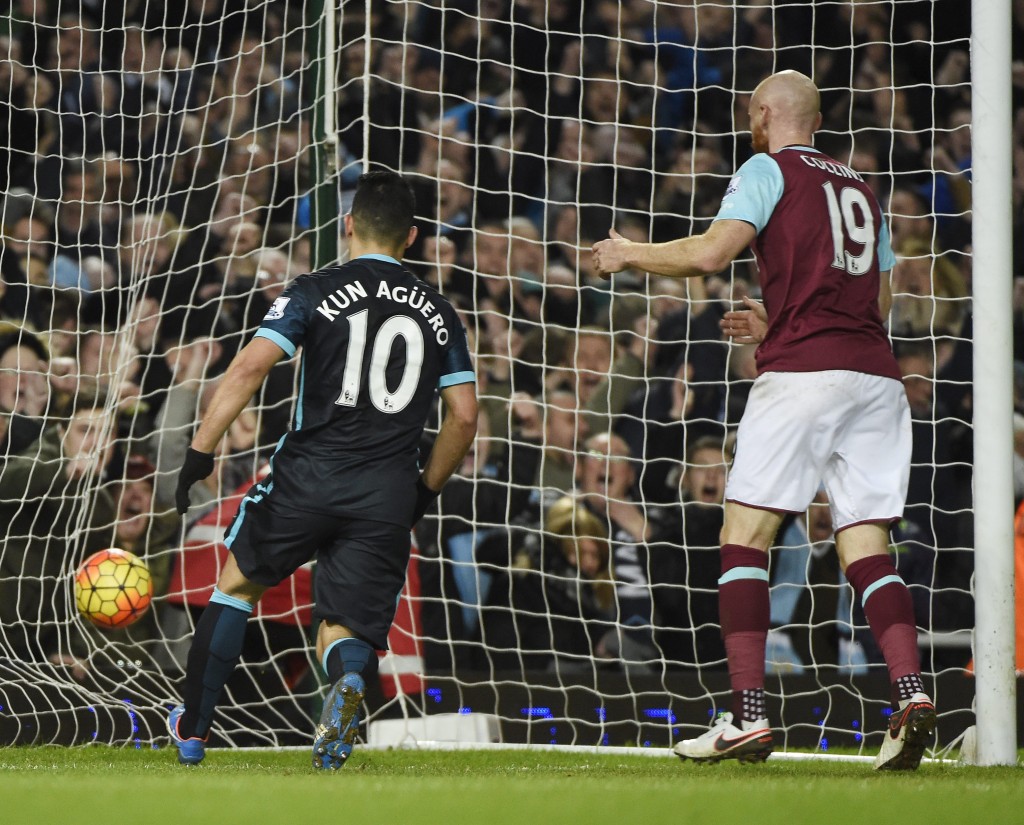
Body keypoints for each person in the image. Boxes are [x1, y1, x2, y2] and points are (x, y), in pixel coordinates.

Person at [592, 70, 934, 770]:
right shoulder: (860, 188)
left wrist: (628, 254)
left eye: (750, 114)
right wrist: (783, 320)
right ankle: (911, 693)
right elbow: (884, 295)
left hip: (805, 377)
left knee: (743, 534)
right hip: (875, 378)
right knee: (866, 545)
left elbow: (713, 252)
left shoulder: (765, 168)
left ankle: (746, 715)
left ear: (763, 113)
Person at [169, 171, 478, 769]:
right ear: (411, 237)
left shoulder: (314, 289)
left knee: (235, 590)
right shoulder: (440, 313)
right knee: (345, 624)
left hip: (308, 475)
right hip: (386, 490)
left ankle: (193, 730)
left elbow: (248, 369)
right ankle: (347, 684)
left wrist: (201, 451)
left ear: (348, 225)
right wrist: (421, 492)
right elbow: (463, 419)